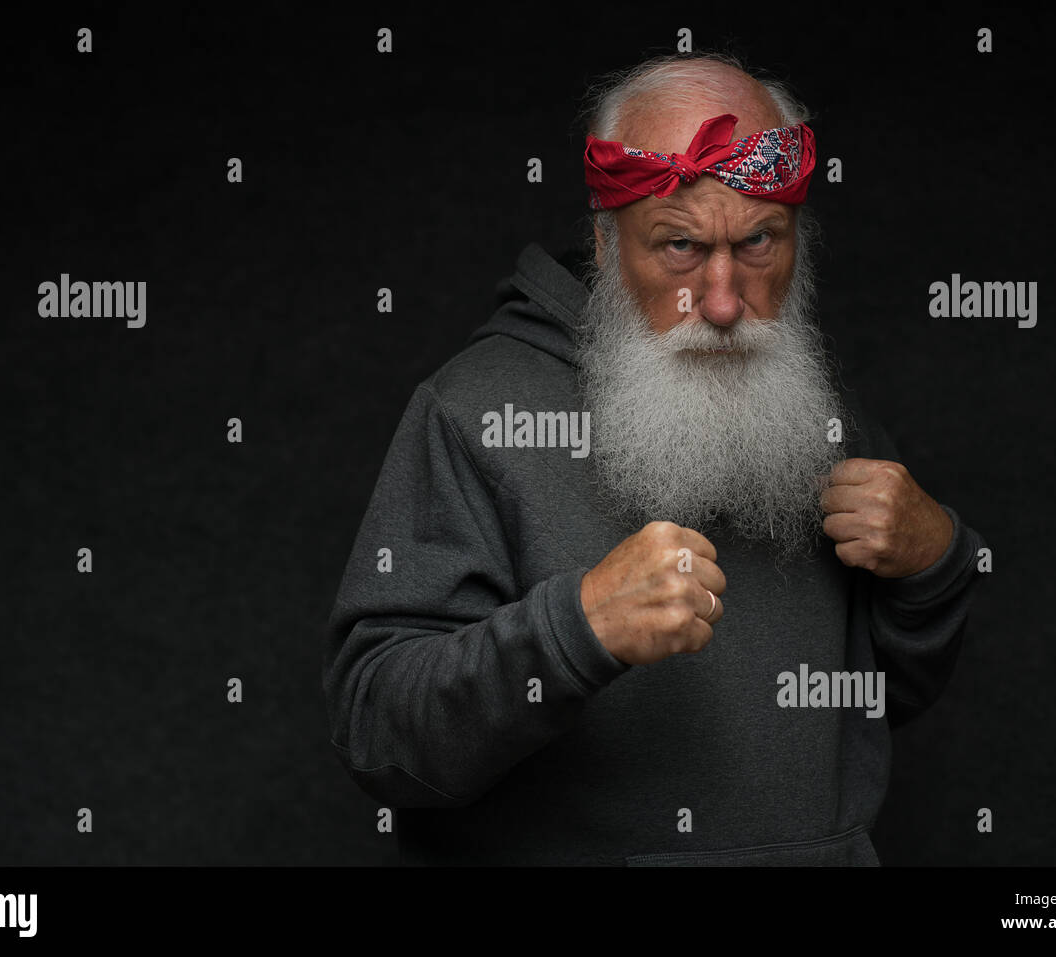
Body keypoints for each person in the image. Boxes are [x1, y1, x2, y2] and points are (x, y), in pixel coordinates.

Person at [323, 52, 986, 865]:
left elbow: (870, 708)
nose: (720, 300)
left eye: (758, 242)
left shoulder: (817, 412)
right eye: (678, 246)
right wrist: (576, 628)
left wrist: (934, 565)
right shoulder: (473, 409)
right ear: (607, 245)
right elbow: (376, 733)